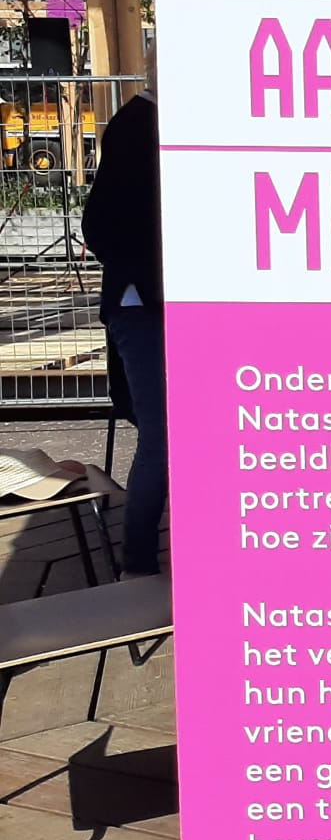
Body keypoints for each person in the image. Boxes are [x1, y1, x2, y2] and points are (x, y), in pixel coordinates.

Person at [81, 76, 166, 579]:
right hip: (143, 305)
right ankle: (137, 566)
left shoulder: (144, 122)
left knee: (168, 434)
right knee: (164, 435)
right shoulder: (138, 124)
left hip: (154, 302)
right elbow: (99, 227)